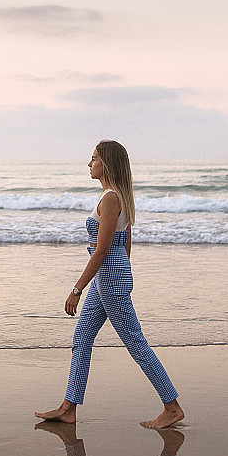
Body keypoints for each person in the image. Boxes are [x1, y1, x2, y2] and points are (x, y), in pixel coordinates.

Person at [35, 140, 184, 429]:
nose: (89, 164)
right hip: (108, 278)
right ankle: (69, 407)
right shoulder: (116, 196)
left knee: (136, 344)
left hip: (109, 279)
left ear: (106, 164)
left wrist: (77, 290)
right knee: (81, 340)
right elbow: (125, 243)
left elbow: (102, 250)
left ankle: (172, 406)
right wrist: (118, 273)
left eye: (93, 159)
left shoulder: (111, 198)